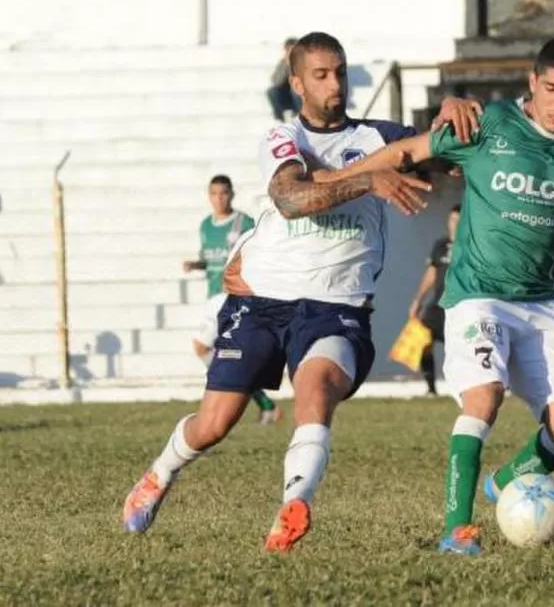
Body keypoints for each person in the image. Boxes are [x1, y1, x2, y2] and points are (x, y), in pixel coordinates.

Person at [313, 36, 554, 556]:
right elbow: (408, 151)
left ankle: (505, 482)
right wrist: (335, 180)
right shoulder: (487, 124)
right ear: (532, 82)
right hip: (478, 295)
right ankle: (457, 531)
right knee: (484, 397)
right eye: (550, 88)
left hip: (544, 303)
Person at [121, 31, 481, 551]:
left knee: (316, 390)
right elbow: (290, 198)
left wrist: (453, 110)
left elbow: (446, 150)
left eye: (340, 72)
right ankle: (160, 472)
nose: (335, 84)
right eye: (321, 75)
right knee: (215, 423)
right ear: (297, 84)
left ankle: (292, 508)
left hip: (336, 306)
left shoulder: (380, 137)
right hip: (261, 298)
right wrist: (368, 181)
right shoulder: (282, 138)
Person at [183, 174, 281, 425]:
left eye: (224, 193)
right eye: (214, 194)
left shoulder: (243, 222)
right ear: (209, 196)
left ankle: (245, 399)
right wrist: (196, 264)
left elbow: (260, 253)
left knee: (204, 348)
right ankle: (265, 404)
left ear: (232, 194)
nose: (219, 199)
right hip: (213, 296)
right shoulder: (206, 226)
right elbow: (210, 260)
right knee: (226, 356)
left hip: (232, 296)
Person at [407, 204, 460, 395]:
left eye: (459, 220)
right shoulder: (441, 245)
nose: (455, 224)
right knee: (421, 339)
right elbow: (431, 273)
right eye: (452, 220)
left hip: (460, 306)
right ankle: (431, 389)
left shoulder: (472, 245)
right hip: (438, 305)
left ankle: (463, 388)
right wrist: (418, 300)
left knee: (461, 349)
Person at [266, 37, 301, 122]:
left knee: (295, 90)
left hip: (303, 97)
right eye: (288, 50)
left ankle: (301, 117)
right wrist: (286, 65)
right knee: (271, 91)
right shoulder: (284, 62)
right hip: (288, 95)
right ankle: (280, 119)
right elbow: (276, 81)